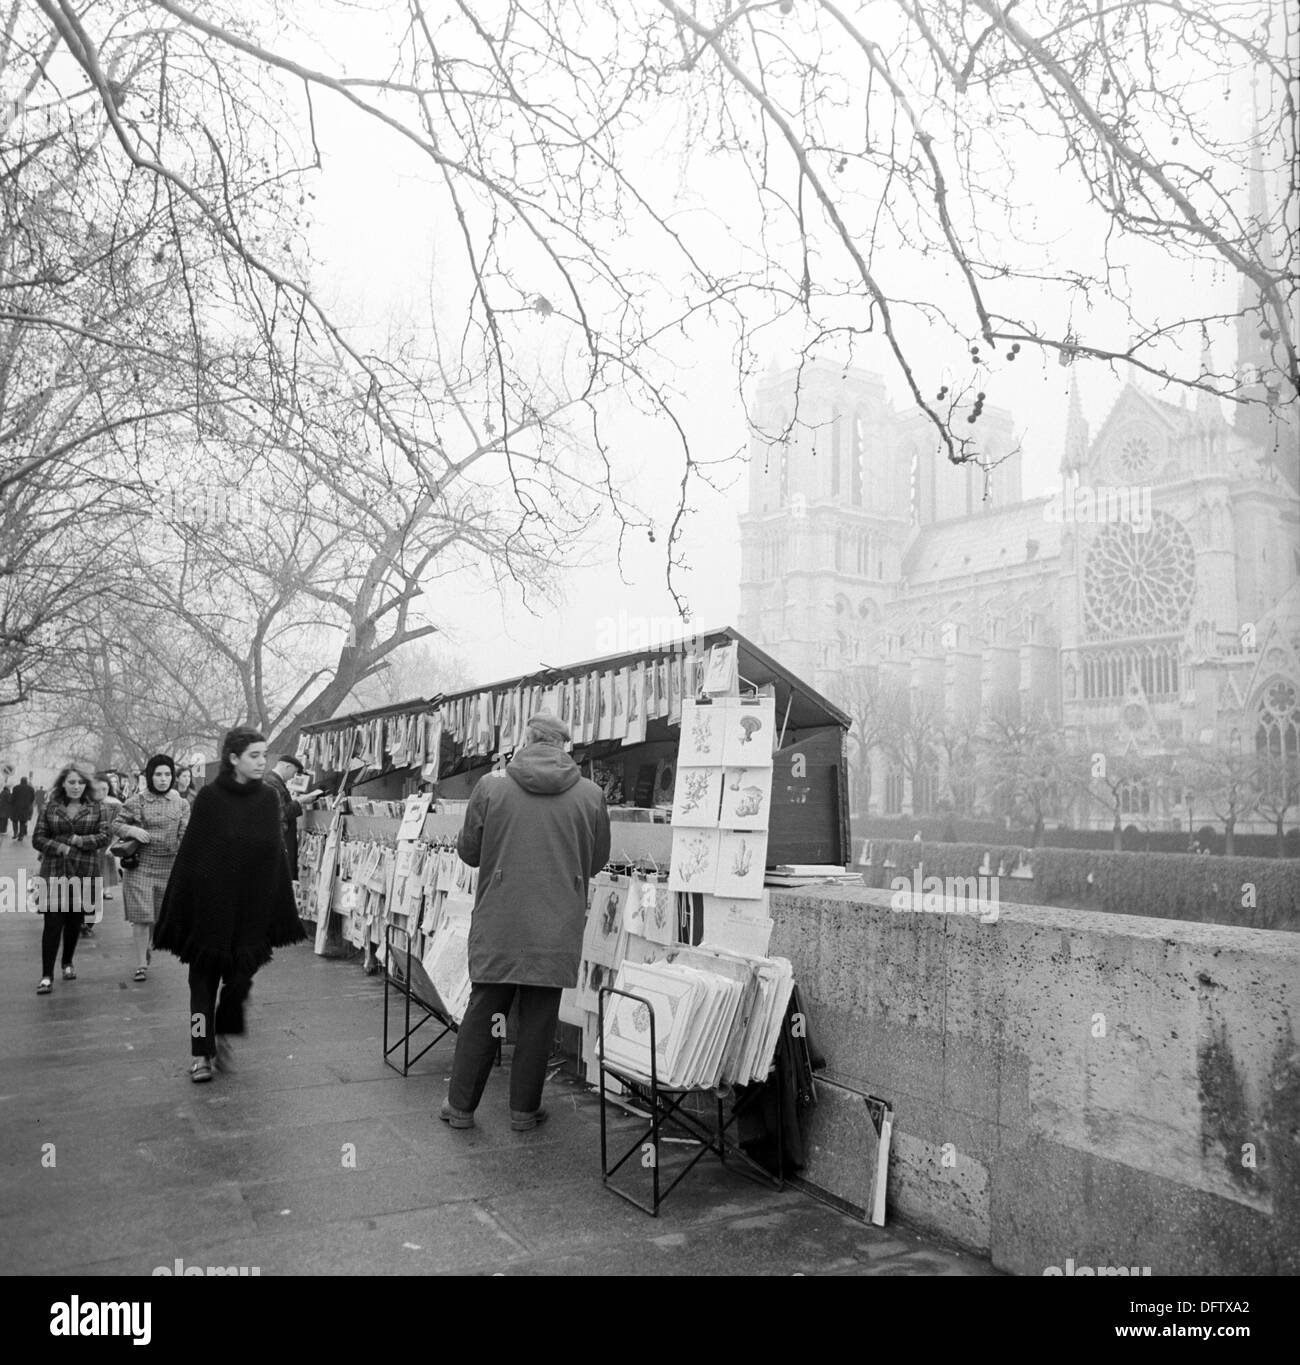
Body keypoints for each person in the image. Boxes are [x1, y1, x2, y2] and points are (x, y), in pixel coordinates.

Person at [442, 711, 610, 1131]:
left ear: (527, 740)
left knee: (484, 1013)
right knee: (538, 1019)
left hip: (501, 918)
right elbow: (597, 860)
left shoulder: (491, 786)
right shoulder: (590, 794)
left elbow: (470, 852)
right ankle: (523, 1110)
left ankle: (461, 1108)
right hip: (556, 922)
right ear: (564, 746)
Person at [153, 727, 306, 1082]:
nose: (261, 762)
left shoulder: (269, 798)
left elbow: (273, 855)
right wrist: (184, 907)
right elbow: (193, 854)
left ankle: (222, 1028)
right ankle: (200, 1054)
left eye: (263, 755)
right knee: (201, 986)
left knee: (240, 981)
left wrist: (278, 903)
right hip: (209, 911)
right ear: (234, 759)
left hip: (250, 913)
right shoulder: (209, 798)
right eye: (254, 755)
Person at [31, 763, 111, 994]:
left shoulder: (96, 808)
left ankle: (67, 962)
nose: (76, 786)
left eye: (80, 782)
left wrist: (79, 841)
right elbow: (38, 838)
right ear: (63, 784)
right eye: (72, 782)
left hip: (84, 870)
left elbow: (104, 836)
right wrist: (58, 847)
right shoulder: (50, 807)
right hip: (54, 870)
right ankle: (46, 975)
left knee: (74, 921)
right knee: (52, 923)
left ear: (86, 785)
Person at [114, 754, 190, 981]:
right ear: (150, 776)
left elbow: (185, 834)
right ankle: (140, 964)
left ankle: (147, 944)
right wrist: (132, 831)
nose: (163, 779)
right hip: (141, 867)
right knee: (141, 916)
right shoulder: (136, 801)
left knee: (157, 917)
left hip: (169, 867)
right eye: (158, 774)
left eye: (167, 774)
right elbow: (116, 824)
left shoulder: (182, 803)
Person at [264, 754, 307, 876]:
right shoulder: (272, 783)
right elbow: (279, 813)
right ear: (287, 766)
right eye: (294, 772)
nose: (293, 776)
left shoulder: (272, 781)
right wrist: (300, 801)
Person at [10, 776, 35, 840]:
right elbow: (32, 799)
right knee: (23, 822)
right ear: (26, 781)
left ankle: (15, 833)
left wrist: (12, 805)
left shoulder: (16, 788)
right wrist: (28, 804)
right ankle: (21, 836)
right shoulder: (31, 789)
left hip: (16, 808)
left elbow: (12, 798)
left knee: (15, 821)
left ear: (20, 781)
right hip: (25, 808)